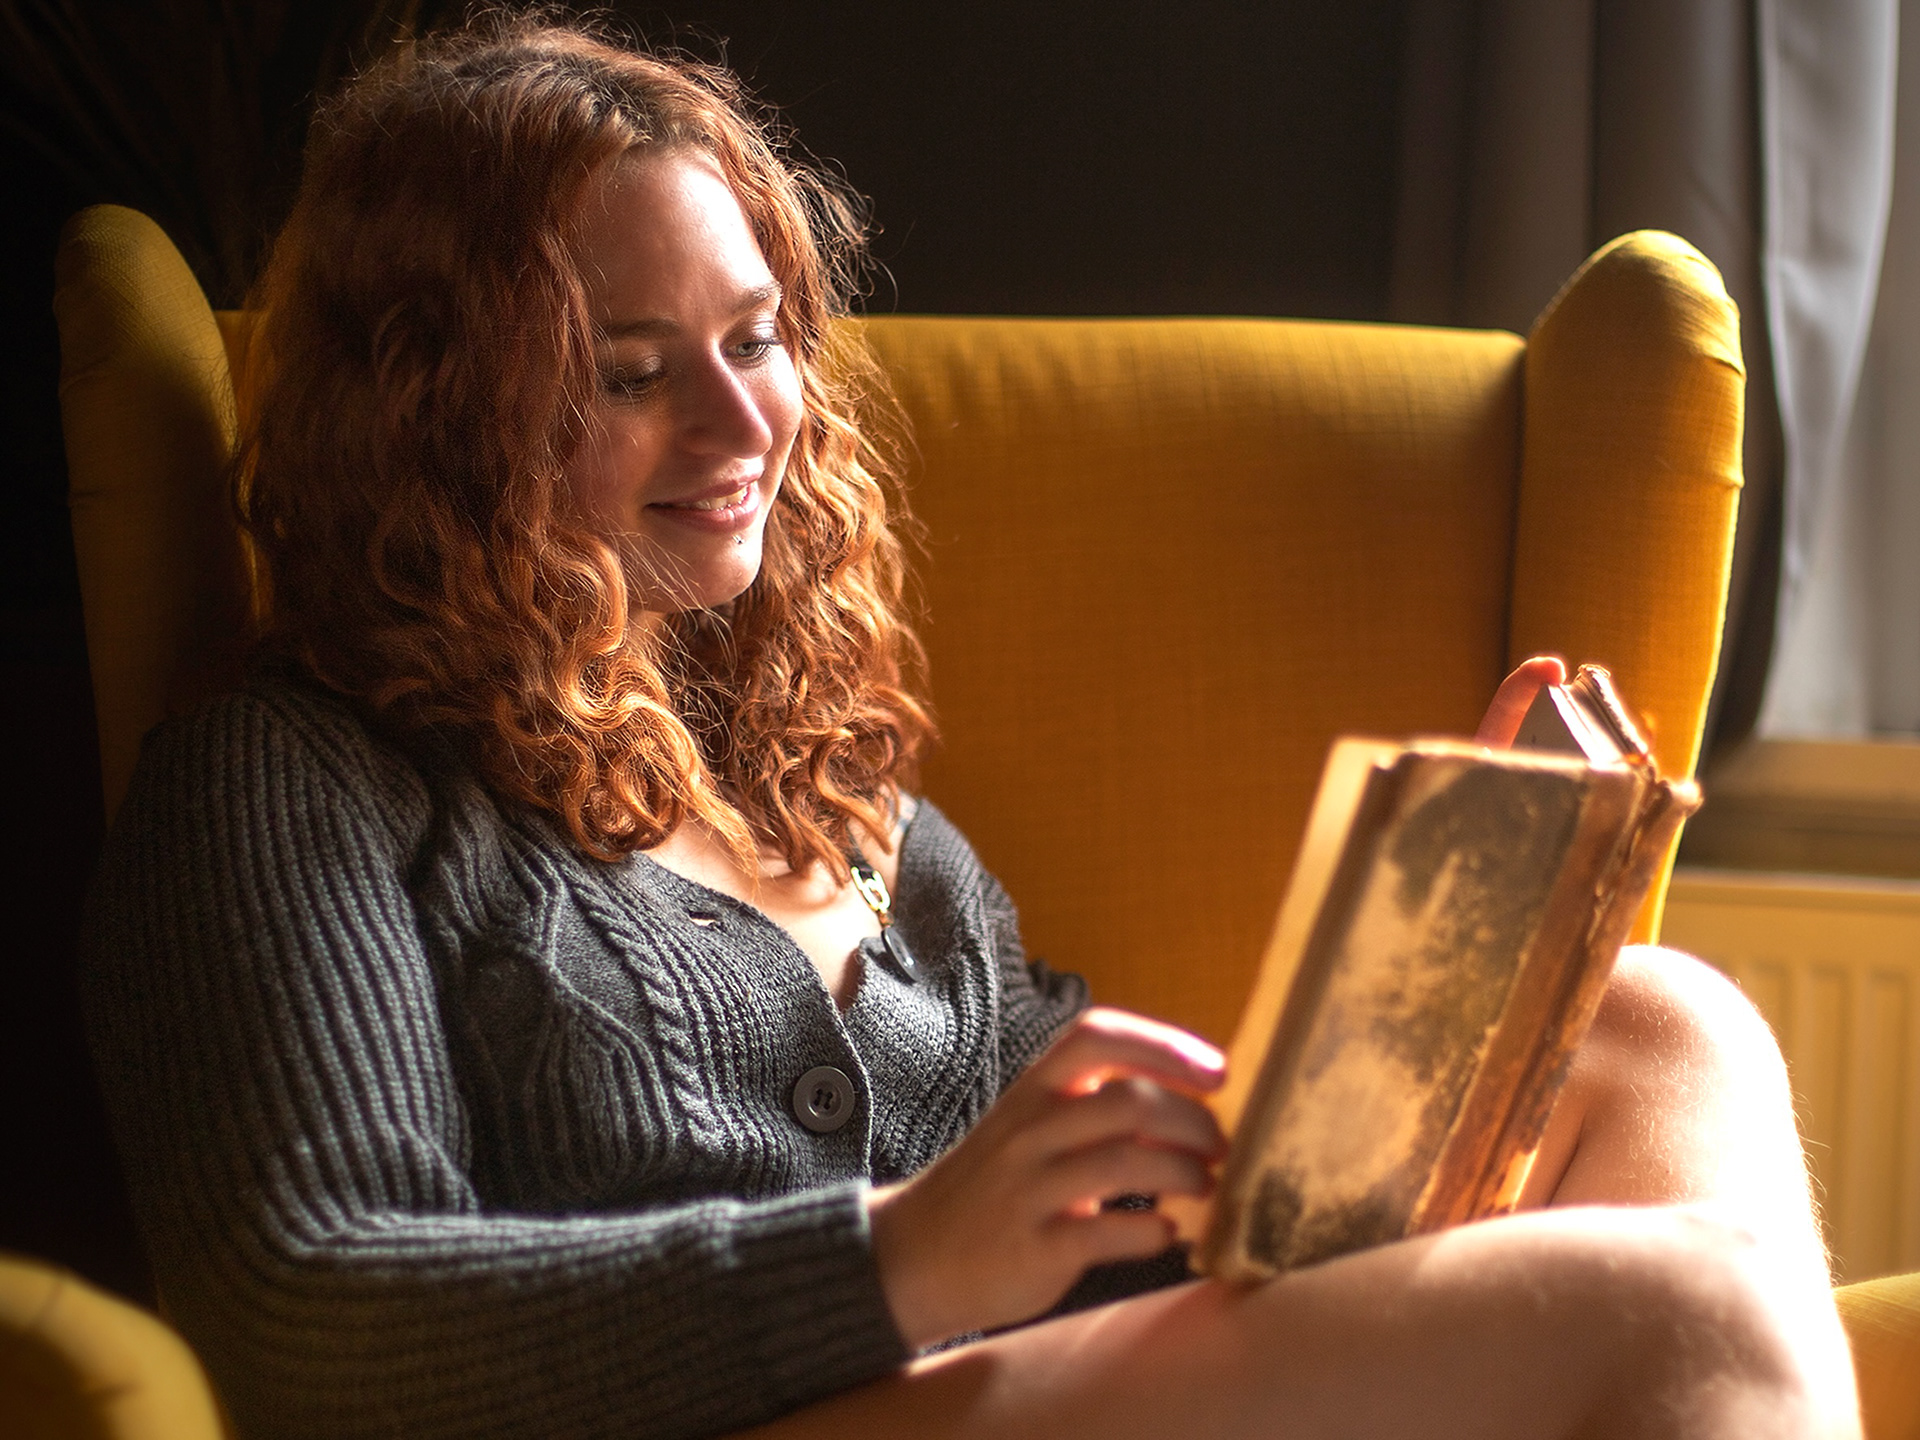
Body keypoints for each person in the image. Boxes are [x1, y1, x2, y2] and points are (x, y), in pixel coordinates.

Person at [82, 15, 1859, 1440]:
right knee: (1686, 1307)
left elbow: (1065, 1193)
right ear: (430, 411)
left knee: (1663, 1015)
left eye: (760, 337)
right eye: (629, 370)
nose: (739, 419)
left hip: (1010, 1377)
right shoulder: (285, 778)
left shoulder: (819, 778)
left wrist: (1413, 993)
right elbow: (308, 1313)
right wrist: (899, 1259)